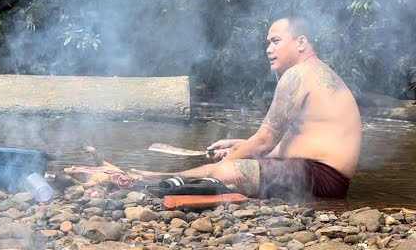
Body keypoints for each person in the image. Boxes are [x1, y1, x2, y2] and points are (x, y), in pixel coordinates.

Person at [136, 15, 362, 200]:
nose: (268, 49)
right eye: (268, 43)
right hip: (318, 175)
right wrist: (241, 146)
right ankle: (160, 177)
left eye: (276, 41)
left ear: (301, 43)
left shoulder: (298, 74)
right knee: (241, 163)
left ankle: (155, 178)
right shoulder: (316, 72)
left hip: (320, 178)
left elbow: (264, 140)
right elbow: (291, 144)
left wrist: (227, 162)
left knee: (228, 171)